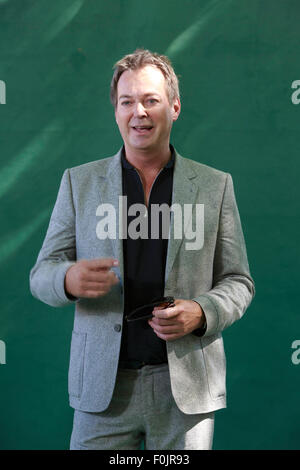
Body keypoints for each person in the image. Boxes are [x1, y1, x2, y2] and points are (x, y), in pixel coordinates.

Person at [30, 49, 255, 450]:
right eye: (127, 101)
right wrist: (67, 277)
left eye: (151, 100)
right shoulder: (78, 183)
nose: (140, 113)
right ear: (116, 110)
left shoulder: (215, 186)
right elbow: (41, 274)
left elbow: (239, 281)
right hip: (102, 393)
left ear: (174, 106)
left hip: (186, 392)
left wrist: (203, 312)